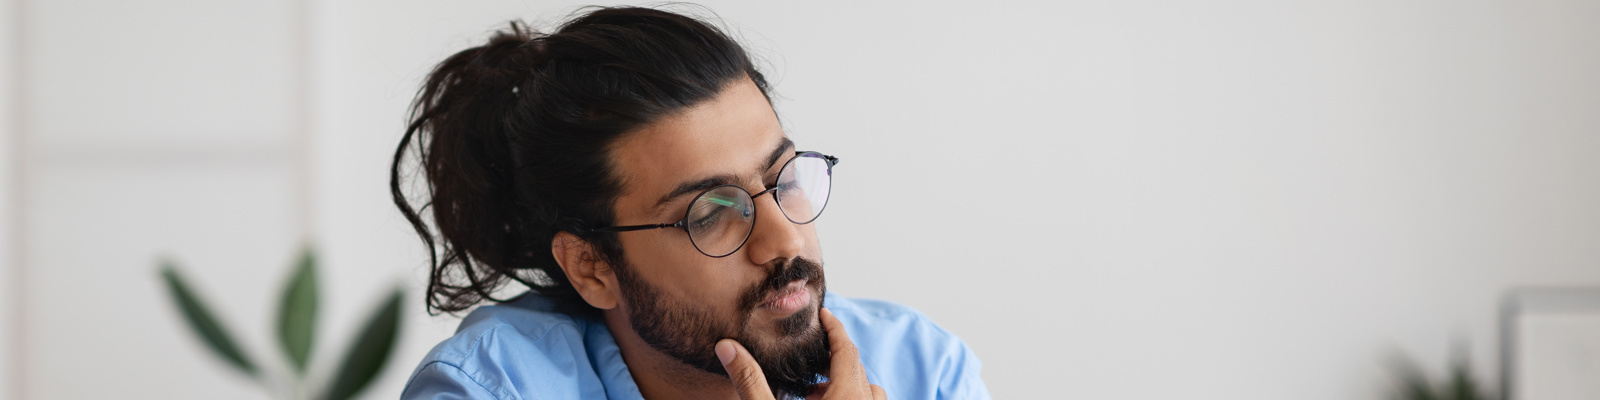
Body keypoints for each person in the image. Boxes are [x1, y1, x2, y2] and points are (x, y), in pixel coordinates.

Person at [391, 6, 989, 400]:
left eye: (783, 179)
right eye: (711, 213)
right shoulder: (494, 388)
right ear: (592, 268)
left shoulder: (920, 368)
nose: (784, 241)